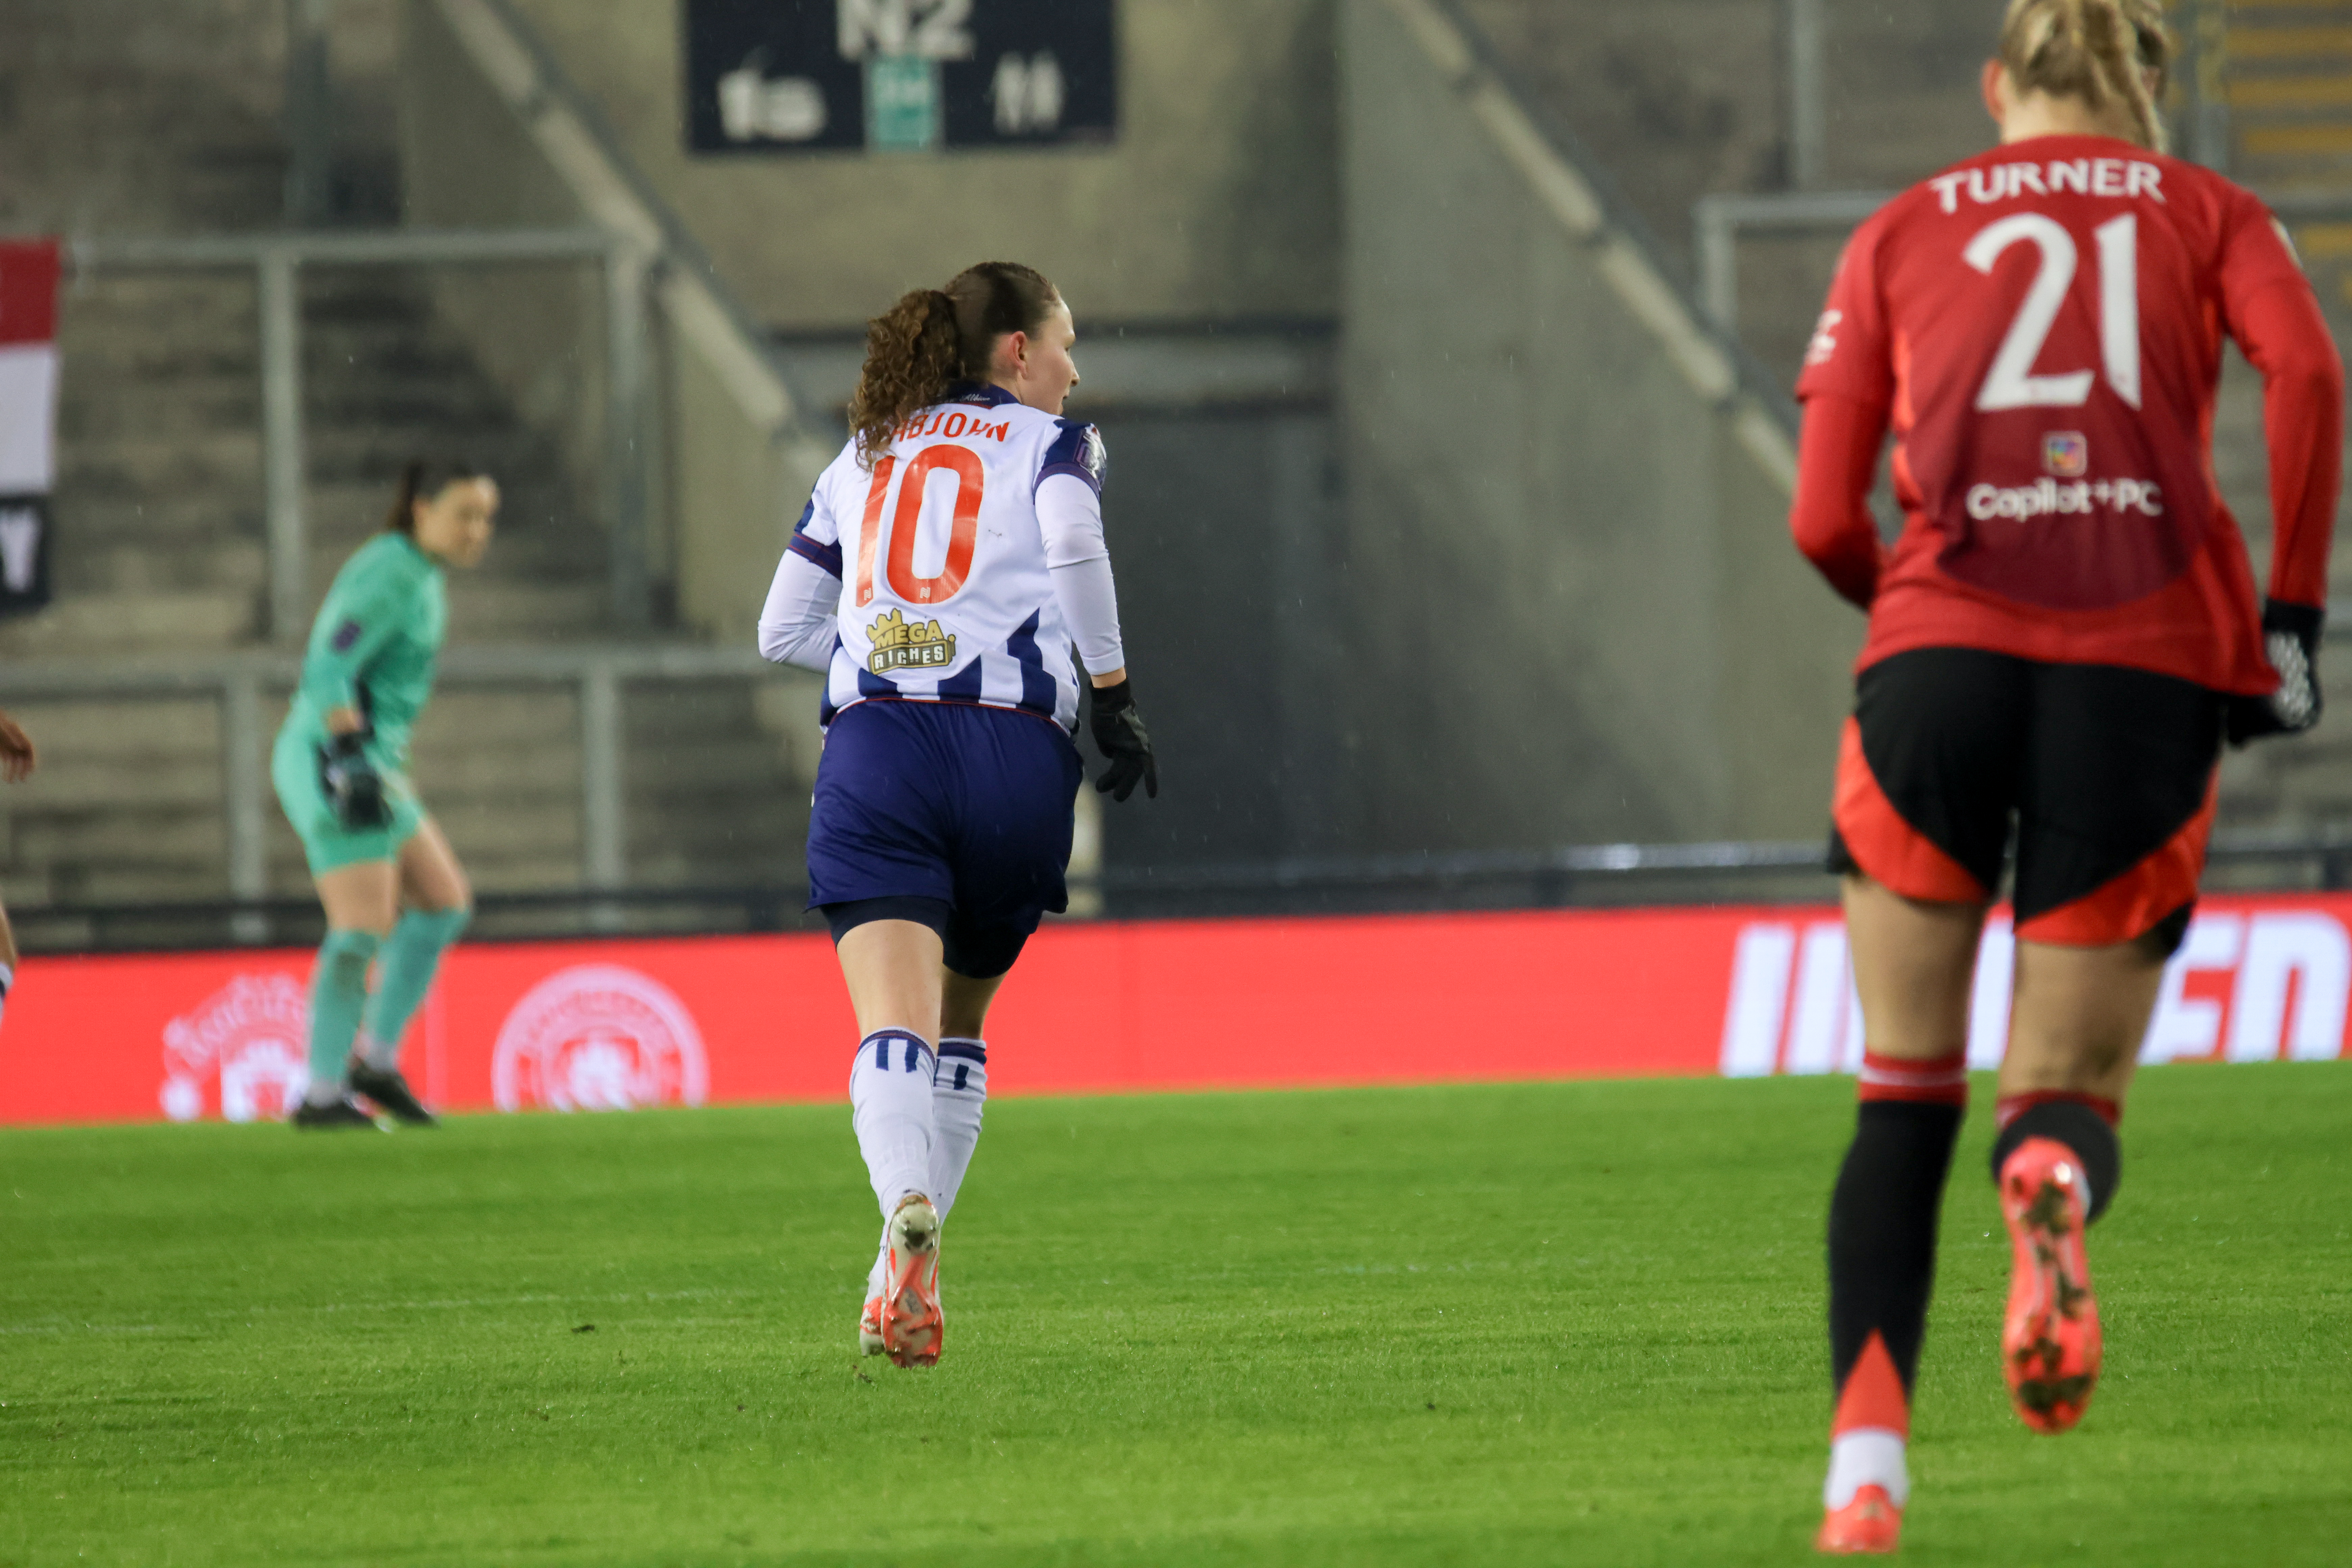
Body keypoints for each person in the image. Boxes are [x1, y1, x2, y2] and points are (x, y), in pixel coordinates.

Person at [1788, 0, 2342, 1551]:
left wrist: (1914, 614)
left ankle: (1865, 1482)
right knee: (2062, 1087)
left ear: (1995, 85)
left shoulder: (1902, 228)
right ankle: (2047, 1172)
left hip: (1937, 664)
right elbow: (2305, 377)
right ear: (2148, 84)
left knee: (1900, 1091)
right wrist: (2291, 618)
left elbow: (1824, 516)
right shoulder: (2214, 211)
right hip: (2144, 661)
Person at [757, 261, 1157, 1369]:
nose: (1075, 369)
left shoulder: (867, 452)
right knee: (962, 1030)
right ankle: (903, 1266)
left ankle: (905, 1210)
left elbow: (782, 630)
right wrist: (1115, 699)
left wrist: (885, 651)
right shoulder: (1054, 448)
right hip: (1016, 754)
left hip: (882, 745)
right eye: (1064, 343)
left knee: (893, 1023)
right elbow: (1076, 545)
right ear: (1015, 352)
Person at [272, 459, 497, 1130]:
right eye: (464, 514)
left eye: (486, 517)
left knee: (442, 903)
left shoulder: (422, 574)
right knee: (362, 925)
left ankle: (372, 1060)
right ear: (420, 509)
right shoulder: (390, 570)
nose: (476, 531)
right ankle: (319, 1094)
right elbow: (326, 666)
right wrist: (348, 757)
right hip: (333, 759)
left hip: (376, 762)